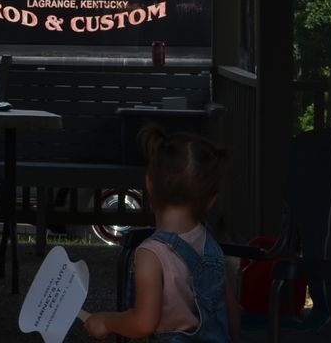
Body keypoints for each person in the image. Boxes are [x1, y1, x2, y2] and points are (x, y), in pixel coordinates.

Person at [79, 129, 236, 343]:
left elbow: (143, 323)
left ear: (149, 184)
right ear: (211, 200)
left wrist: (107, 321)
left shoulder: (151, 255)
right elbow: (229, 307)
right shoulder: (210, 244)